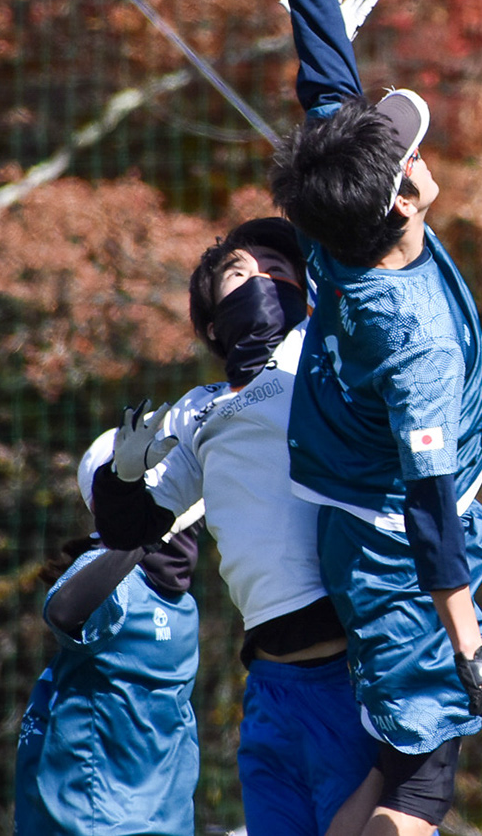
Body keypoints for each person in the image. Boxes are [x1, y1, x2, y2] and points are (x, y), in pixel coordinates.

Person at [229, 0, 482, 836]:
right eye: (409, 152)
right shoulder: (414, 340)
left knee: (408, 769)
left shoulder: (332, 215)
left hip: (369, 513)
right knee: (419, 783)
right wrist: (469, 642)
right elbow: (432, 506)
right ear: (405, 201)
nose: (416, 147)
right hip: (396, 556)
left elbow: (324, 68)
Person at [91, 214, 382, 836]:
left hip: (348, 670)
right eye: (238, 274)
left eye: (278, 271)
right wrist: (121, 476)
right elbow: (131, 527)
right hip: (270, 684)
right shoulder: (196, 412)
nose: (261, 281)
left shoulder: (321, 356)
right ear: (210, 322)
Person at [15, 431, 201, 836]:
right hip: (96, 820)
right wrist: (145, 533)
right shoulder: (116, 580)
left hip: (162, 821)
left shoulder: (179, 600)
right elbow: (64, 611)